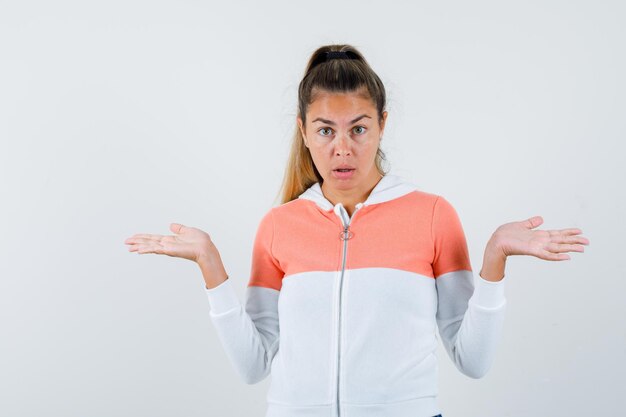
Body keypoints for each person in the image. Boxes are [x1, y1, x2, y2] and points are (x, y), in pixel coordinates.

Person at [124, 44, 589, 417]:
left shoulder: (432, 215)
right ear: (304, 132)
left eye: (358, 129)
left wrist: (495, 259)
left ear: (382, 126)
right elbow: (252, 367)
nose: (342, 148)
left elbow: (473, 361)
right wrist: (211, 266)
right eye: (326, 131)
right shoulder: (278, 226)